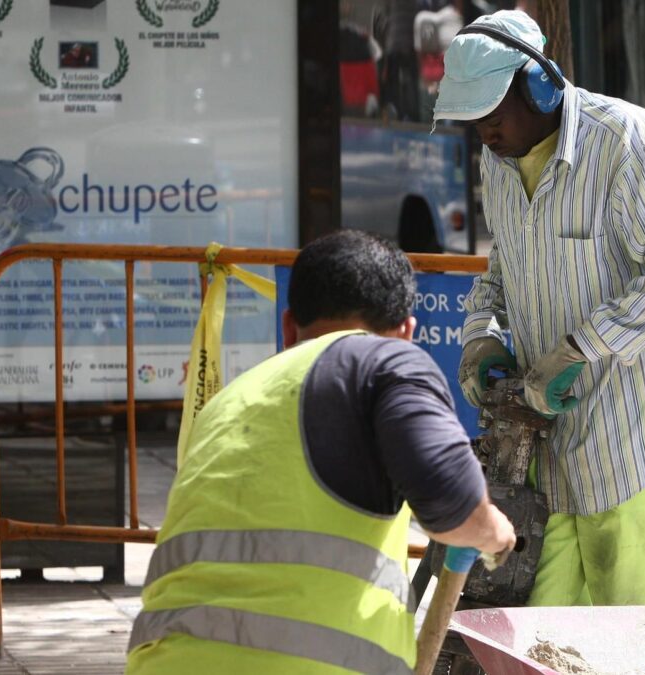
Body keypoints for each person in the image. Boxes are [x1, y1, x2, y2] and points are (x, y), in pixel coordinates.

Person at [434, 10, 645, 607]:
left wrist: (581, 348)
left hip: (636, 440)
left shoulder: (629, 140)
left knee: (637, 640)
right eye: (472, 119)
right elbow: (502, 273)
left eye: (491, 111)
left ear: (539, 83)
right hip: (548, 453)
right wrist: (482, 337)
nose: (483, 132)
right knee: (541, 640)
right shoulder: (498, 163)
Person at [125, 230, 516, 673]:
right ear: (406, 332)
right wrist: (493, 532)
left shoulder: (227, 404)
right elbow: (453, 506)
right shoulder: (386, 362)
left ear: (288, 327)